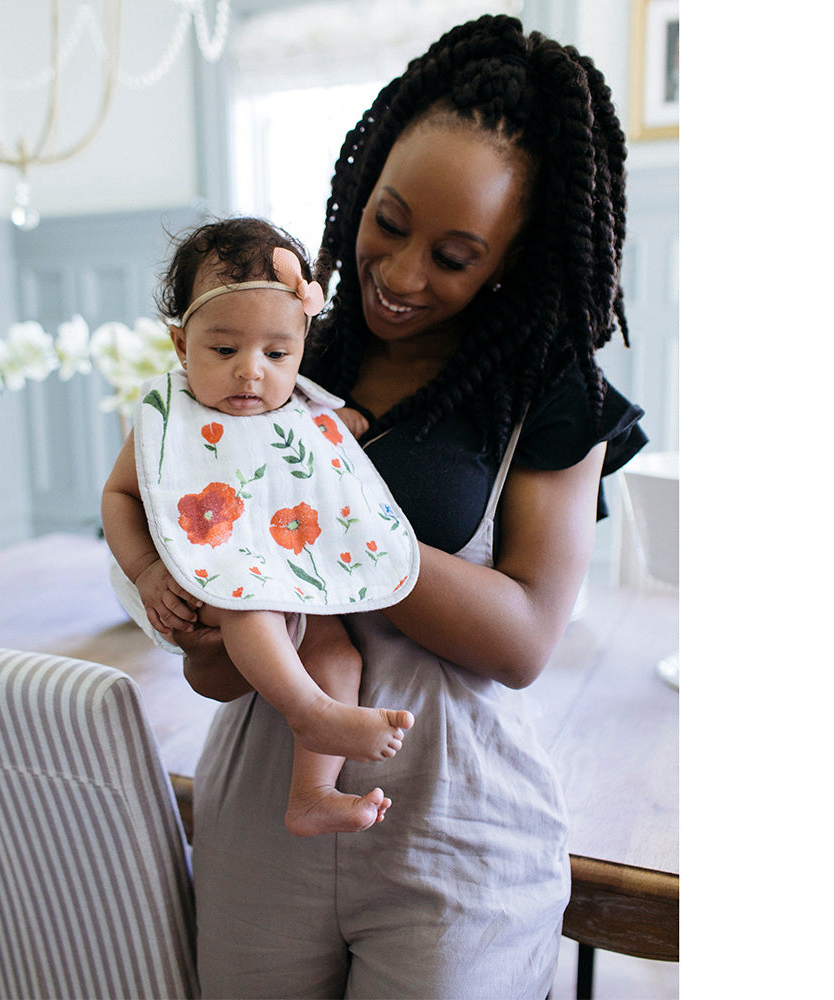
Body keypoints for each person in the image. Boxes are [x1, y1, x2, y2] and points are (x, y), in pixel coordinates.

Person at [176, 14, 648, 998]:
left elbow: (520, 641)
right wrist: (196, 608)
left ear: (511, 255)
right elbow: (219, 672)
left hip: (452, 834)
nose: (398, 276)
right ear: (362, 179)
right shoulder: (281, 354)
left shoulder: (549, 394)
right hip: (262, 811)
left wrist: (327, 519)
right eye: (386, 224)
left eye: (454, 254)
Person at [102, 217, 420, 838]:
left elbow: (321, 444)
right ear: (179, 344)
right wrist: (145, 572)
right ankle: (311, 713)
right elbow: (118, 494)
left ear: (300, 348)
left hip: (286, 576)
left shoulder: (303, 409)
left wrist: (339, 428)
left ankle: (313, 794)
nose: (252, 371)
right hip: (216, 583)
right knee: (252, 609)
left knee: (336, 652)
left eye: (277, 354)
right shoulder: (170, 417)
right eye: (224, 351)